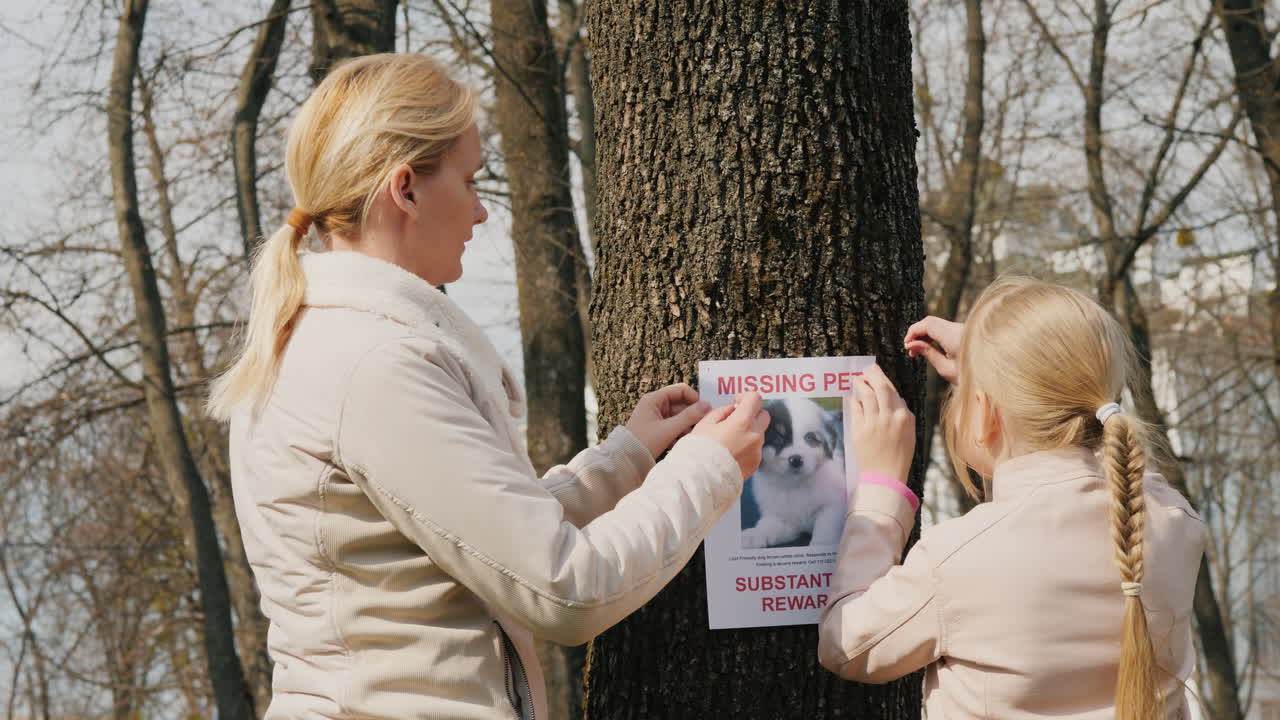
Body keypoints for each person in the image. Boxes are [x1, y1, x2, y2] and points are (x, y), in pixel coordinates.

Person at [206, 53, 767, 720]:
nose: (479, 212)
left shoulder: (334, 344)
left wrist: (629, 459)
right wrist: (709, 470)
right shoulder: (373, 365)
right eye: (469, 181)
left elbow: (474, 532)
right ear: (405, 189)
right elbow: (566, 589)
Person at [817, 277, 1206, 719]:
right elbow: (1112, 452)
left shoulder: (959, 560)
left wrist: (880, 490)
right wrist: (1009, 365)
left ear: (984, 413)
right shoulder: (1173, 520)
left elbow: (845, 645)